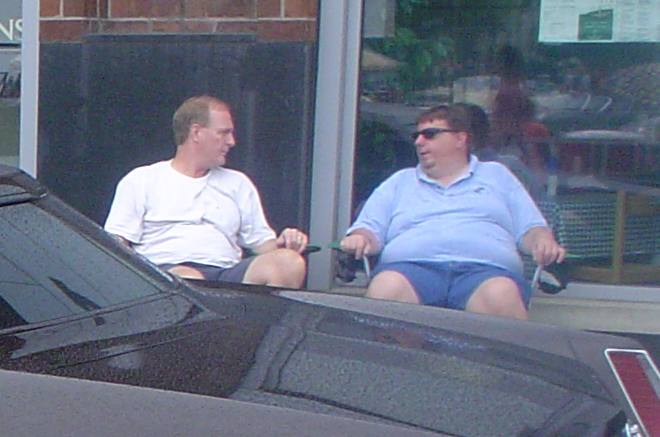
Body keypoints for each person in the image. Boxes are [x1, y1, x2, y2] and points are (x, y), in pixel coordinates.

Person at [340, 102, 563, 319]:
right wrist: (360, 238)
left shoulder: (497, 175)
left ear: (460, 138)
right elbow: (369, 229)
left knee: (501, 294)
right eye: (416, 136)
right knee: (386, 287)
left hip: (485, 272)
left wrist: (543, 241)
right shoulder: (400, 181)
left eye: (430, 134)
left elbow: (531, 228)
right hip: (411, 269)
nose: (418, 142)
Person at [104, 95, 309, 288]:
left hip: (227, 274)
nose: (232, 141)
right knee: (188, 280)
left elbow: (262, 244)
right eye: (223, 132)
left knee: (289, 262)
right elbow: (115, 244)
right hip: (168, 276)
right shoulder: (142, 180)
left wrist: (287, 242)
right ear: (196, 133)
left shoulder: (238, 183)